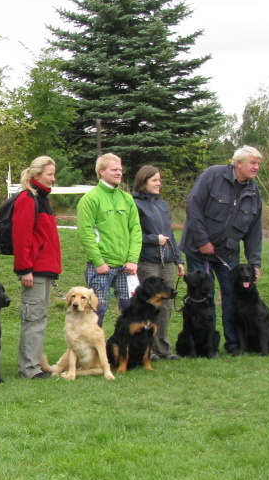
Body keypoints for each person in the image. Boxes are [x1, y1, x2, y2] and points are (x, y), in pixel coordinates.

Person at [181, 146, 264, 355]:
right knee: (204, 296)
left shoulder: (254, 192)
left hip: (228, 254)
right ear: (239, 163)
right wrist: (202, 241)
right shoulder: (213, 175)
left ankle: (234, 344)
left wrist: (255, 263)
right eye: (253, 163)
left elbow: (255, 230)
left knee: (232, 297)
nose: (256, 167)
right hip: (198, 249)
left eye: (258, 164)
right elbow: (193, 206)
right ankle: (208, 346)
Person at [77, 153, 142, 326]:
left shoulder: (127, 198)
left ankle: (125, 351)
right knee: (98, 310)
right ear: (101, 171)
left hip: (125, 267)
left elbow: (136, 230)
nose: (119, 173)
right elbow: (86, 233)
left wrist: (132, 260)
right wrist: (98, 262)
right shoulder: (90, 199)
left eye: (120, 169)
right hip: (101, 266)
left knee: (129, 308)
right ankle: (92, 351)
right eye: (114, 169)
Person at [12, 156, 62, 379]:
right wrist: (25, 269)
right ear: (36, 175)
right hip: (34, 270)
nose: (53, 178)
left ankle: (34, 364)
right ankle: (29, 369)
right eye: (49, 174)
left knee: (39, 317)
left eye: (53, 174)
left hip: (45, 268)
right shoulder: (27, 199)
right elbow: (21, 237)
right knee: (33, 318)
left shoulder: (42, 199)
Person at [132, 165, 185, 360]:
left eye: (159, 180)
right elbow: (134, 235)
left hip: (167, 261)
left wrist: (178, 259)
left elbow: (170, 234)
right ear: (143, 182)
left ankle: (163, 348)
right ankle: (148, 349)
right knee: (150, 305)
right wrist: (154, 239)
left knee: (165, 305)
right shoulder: (135, 204)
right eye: (154, 180)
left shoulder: (163, 205)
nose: (158, 183)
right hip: (147, 261)